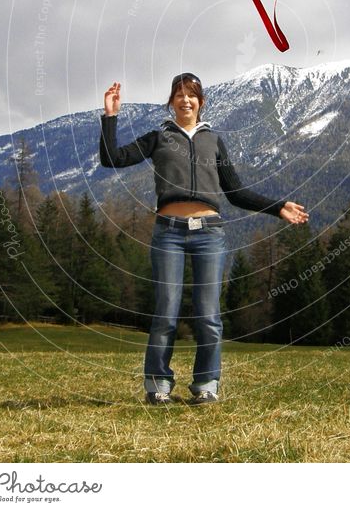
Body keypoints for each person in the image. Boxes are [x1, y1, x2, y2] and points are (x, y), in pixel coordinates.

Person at [99, 73, 308, 406]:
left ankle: (206, 385)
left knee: (208, 315)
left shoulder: (213, 141)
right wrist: (110, 116)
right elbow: (112, 159)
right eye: (179, 94)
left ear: (201, 102)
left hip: (209, 235)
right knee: (166, 312)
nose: (185, 100)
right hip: (168, 232)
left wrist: (278, 206)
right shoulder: (158, 138)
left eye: (192, 95)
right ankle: (158, 387)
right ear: (171, 101)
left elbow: (236, 192)